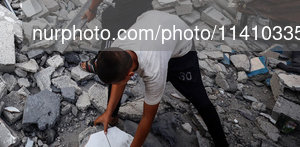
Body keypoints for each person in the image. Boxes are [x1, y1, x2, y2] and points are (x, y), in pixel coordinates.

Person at [94, 10, 228, 147]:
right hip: (153, 19)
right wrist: (108, 112)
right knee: (115, 77)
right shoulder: (117, 49)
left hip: (180, 42)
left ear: (130, 75)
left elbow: (147, 117)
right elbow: (118, 80)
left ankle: (222, 143)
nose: (117, 83)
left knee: (200, 100)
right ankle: (112, 117)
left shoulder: (153, 70)